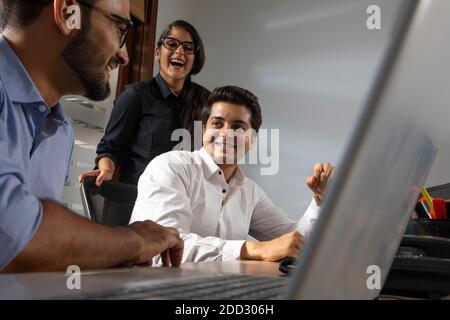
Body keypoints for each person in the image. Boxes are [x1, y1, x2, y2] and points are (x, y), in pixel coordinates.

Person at [0, 0, 183, 273]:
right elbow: (12, 234)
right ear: (67, 13)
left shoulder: (60, 133)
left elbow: (38, 259)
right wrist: (133, 241)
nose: (124, 55)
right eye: (119, 27)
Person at [130, 86, 334, 263]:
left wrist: (320, 201)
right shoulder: (170, 167)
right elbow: (162, 248)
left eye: (238, 127)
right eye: (217, 123)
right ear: (203, 131)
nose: (226, 133)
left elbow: (295, 241)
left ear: (252, 140)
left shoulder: (250, 192)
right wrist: (253, 249)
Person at [79, 20, 210, 186]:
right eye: (171, 44)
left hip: (189, 202)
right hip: (139, 200)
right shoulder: (135, 95)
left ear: (195, 59)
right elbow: (110, 147)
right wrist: (106, 169)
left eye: (188, 47)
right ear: (157, 53)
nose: (179, 51)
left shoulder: (206, 100)